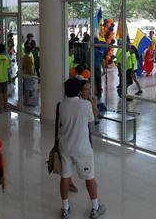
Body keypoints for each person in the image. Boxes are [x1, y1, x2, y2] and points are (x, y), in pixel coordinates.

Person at [59, 79, 106, 219]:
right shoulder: (85, 105)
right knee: (89, 178)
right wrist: (92, 103)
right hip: (82, 149)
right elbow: (91, 121)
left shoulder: (61, 105)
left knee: (65, 177)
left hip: (65, 147)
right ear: (79, 91)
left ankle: (65, 208)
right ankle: (95, 207)